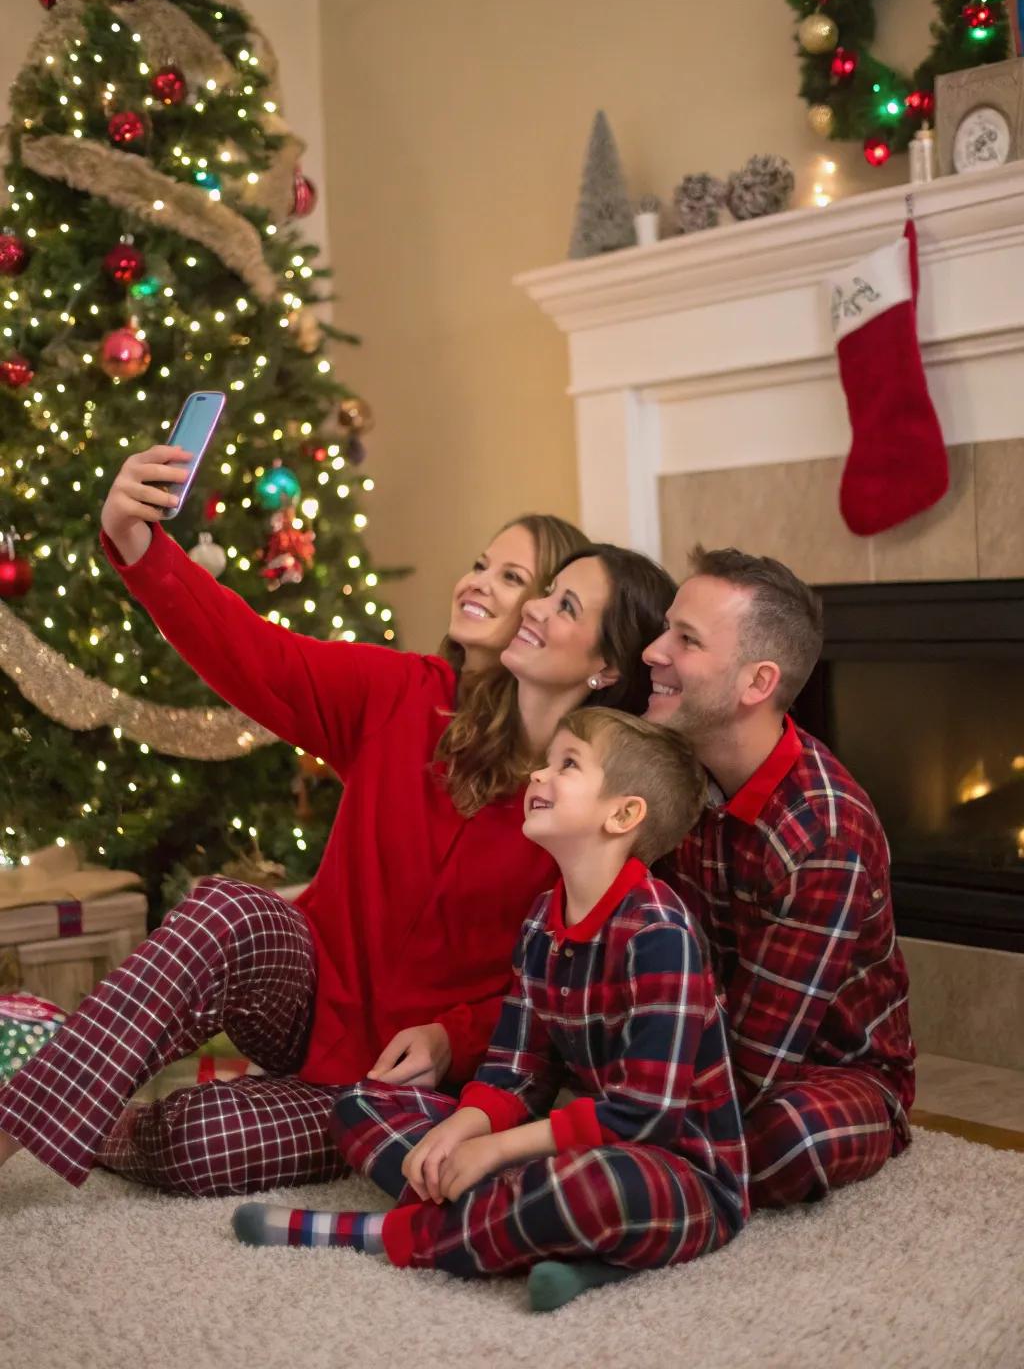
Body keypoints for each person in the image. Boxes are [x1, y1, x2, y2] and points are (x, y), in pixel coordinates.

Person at [0, 442, 675, 1196]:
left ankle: (96, 1098)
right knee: (228, 910)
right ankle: (14, 1122)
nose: (514, 598)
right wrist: (138, 544)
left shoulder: (586, 807)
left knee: (197, 1145)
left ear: (605, 666)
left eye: (539, 591)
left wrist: (455, 1040)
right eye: (516, 579)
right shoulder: (407, 695)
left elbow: (562, 983)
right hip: (302, 991)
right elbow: (255, 654)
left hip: (398, 1086)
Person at [233, 707, 748, 1314]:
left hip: (680, 1172)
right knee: (361, 1103)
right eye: (545, 762)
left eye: (567, 766)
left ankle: (396, 1235)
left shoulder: (658, 932)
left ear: (624, 814)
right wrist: (460, 1133)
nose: (537, 776)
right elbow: (515, 1072)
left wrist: (497, 1151)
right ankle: (560, 1249)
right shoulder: (540, 922)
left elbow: (644, 1117)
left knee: (585, 1189)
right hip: (575, 1149)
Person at [644, 545, 915, 1208]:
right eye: (665, 628)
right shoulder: (673, 769)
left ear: (756, 683)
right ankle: (637, 1185)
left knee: (787, 1138)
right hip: (705, 1033)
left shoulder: (823, 834)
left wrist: (630, 1112)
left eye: (686, 640)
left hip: (827, 1070)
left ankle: (628, 1197)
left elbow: (753, 1066)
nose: (653, 651)